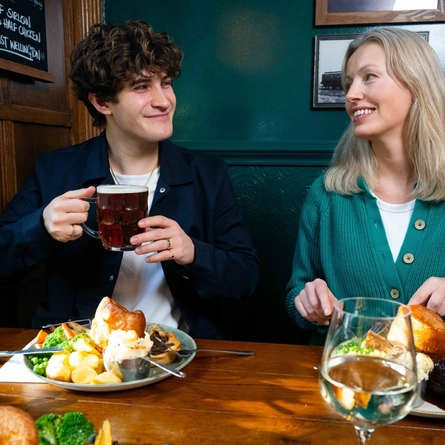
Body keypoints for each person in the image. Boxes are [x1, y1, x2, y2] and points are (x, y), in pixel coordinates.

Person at [0, 20, 260, 339]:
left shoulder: (207, 175)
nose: (164, 100)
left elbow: (246, 278)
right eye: (141, 86)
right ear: (102, 101)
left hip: (177, 354)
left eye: (165, 83)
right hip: (82, 359)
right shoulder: (55, 171)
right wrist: (39, 228)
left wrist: (193, 252)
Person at [286, 27, 445, 345]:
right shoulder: (327, 195)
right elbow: (295, 295)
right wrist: (307, 301)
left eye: (368, 76)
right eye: (348, 83)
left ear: (415, 84)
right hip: (345, 382)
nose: (350, 94)